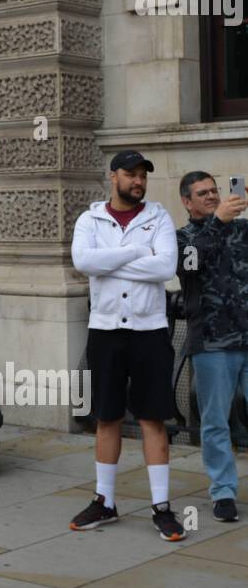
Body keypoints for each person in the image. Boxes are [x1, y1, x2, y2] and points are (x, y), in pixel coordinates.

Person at [69, 151, 184, 541]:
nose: (138, 181)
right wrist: (138, 252)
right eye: (130, 174)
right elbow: (83, 261)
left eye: (142, 176)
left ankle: (162, 507)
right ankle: (105, 501)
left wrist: (110, 262)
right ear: (112, 176)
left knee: (153, 417)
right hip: (104, 330)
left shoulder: (160, 217)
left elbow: (166, 268)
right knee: (106, 416)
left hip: (149, 330)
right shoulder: (90, 219)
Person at [176, 171, 247, 522]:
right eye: (202, 193)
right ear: (187, 202)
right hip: (213, 344)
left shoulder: (242, 230)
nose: (211, 196)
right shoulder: (183, 238)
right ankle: (223, 492)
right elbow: (189, 266)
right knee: (215, 421)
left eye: (215, 191)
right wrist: (217, 224)